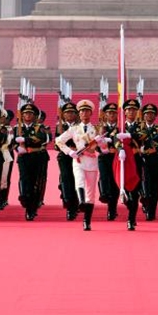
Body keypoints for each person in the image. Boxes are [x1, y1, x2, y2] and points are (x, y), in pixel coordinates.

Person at [56, 98, 104, 230]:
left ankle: (87, 220)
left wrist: (101, 141)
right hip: (78, 160)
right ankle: (81, 202)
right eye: (82, 111)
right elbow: (59, 141)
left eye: (87, 111)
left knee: (91, 193)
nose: (84, 113)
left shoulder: (97, 129)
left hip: (92, 161)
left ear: (91, 113)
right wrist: (69, 152)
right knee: (79, 181)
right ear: (79, 113)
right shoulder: (74, 129)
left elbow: (104, 149)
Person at [14, 101, 50, 221]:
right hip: (23, 157)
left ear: (35, 116)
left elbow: (41, 139)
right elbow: (10, 141)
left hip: (38, 157)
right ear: (22, 115)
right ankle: (25, 197)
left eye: (31, 113)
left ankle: (32, 208)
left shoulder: (41, 128)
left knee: (35, 183)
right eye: (25, 113)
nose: (28, 116)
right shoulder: (17, 128)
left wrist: (25, 139)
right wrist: (17, 148)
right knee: (25, 179)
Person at [117, 98, 144, 230]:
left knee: (134, 190)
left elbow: (143, 136)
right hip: (122, 161)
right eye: (128, 110)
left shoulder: (141, 126)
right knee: (124, 188)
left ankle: (131, 218)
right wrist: (118, 147)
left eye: (134, 110)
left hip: (136, 161)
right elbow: (113, 139)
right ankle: (130, 207)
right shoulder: (120, 126)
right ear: (125, 112)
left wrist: (128, 135)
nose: (131, 112)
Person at [55, 101, 81, 220]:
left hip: (80, 157)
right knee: (66, 181)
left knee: (78, 181)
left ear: (76, 114)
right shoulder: (59, 126)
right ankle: (70, 206)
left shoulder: (81, 126)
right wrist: (67, 149)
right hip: (65, 157)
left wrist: (77, 148)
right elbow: (56, 144)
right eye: (67, 113)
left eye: (72, 112)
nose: (69, 115)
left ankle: (76, 203)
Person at [139, 102, 158, 221]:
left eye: (151, 114)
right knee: (144, 184)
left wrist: (157, 149)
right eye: (147, 114)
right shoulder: (139, 128)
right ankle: (145, 202)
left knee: (154, 186)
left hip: (154, 160)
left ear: (155, 116)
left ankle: (152, 210)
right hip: (141, 160)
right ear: (143, 116)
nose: (149, 116)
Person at [97, 101, 120, 221]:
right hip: (104, 157)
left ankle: (112, 209)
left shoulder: (121, 127)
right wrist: (102, 148)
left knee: (114, 183)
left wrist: (116, 150)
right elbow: (94, 143)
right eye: (109, 113)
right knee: (104, 177)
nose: (111, 115)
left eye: (114, 113)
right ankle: (104, 194)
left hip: (116, 158)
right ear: (105, 114)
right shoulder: (100, 127)